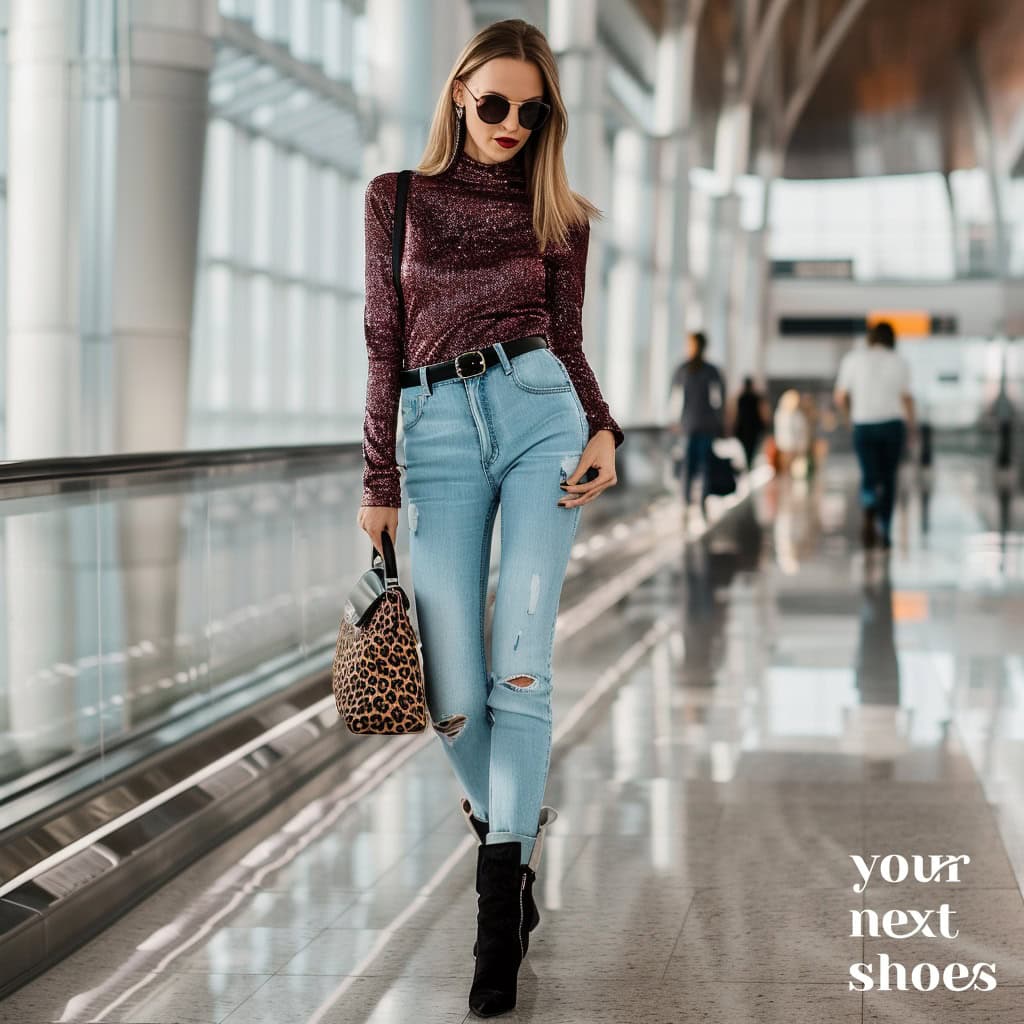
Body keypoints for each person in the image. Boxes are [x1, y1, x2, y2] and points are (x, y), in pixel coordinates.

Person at [355, 20, 624, 1017]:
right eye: (496, 101)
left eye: (532, 108)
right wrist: (376, 477)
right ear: (460, 92)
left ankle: (495, 919)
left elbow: (567, 338)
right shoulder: (397, 199)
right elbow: (383, 339)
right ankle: (514, 829)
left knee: (521, 663)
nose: (512, 123)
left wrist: (603, 428)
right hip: (431, 432)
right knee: (452, 689)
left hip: (539, 419)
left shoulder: (560, 215)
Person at [833, 320, 915, 550]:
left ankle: (869, 503)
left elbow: (840, 397)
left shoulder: (853, 359)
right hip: (892, 425)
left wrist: (849, 418)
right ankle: (885, 528)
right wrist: (912, 427)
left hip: (863, 424)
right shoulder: (900, 362)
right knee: (888, 477)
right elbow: (907, 398)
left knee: (869, 472)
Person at [669, 331, 725, 515]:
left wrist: (675, 420)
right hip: (704, 424)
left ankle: (687, 502)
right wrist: (719, 418)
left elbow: (673, 397)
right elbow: (720, 399)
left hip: (689, 425)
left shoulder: (683, 369)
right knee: (703, 465)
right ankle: (700, 502)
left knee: (689, 465)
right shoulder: (711, 370)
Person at [733, 376, 768, 470]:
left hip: (744, 428)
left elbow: (736, 414)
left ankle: (748, 466)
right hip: (753, 428)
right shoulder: (755, 397)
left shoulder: (741, 398)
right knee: (751, 450)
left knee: (746, 450)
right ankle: (749, 466)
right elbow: (762, 412)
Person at [773, 389, 809, 475]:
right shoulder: (782, 415)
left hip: (796, 446)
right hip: (786, 446)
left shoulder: (798, 415)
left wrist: (801, 446)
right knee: (786, 470)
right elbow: (783, 433)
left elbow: (802, 432)